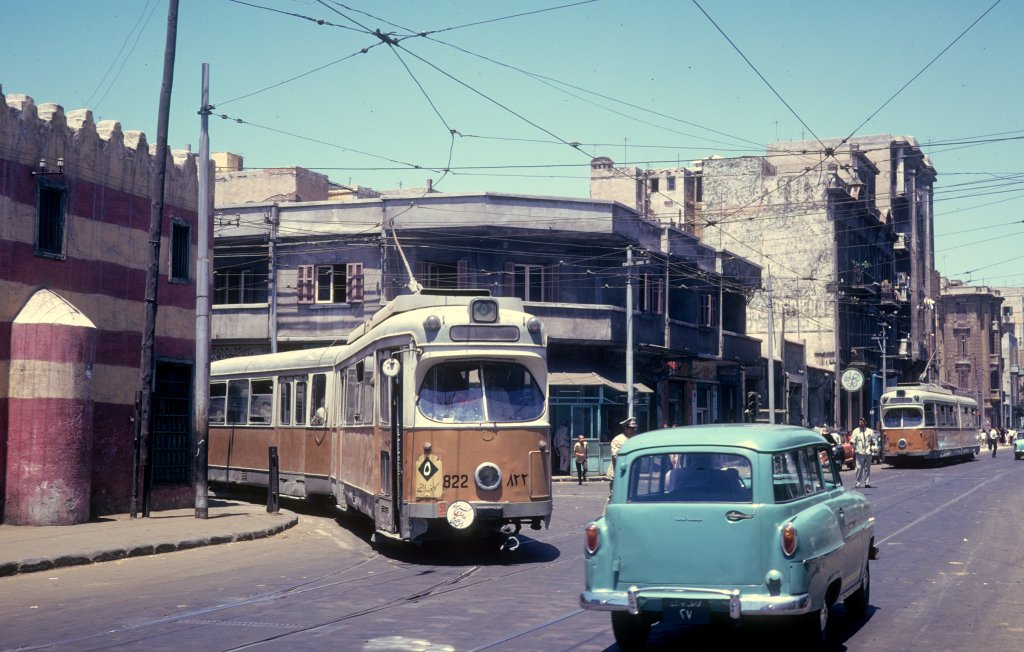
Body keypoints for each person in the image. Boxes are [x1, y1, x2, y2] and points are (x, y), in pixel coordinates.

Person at [607, 417, 638, 484]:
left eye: (634, 428)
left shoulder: (634, 439)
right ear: (625, 428)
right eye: (631, 428)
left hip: (630, 473)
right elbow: (616, 455)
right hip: (619, 472)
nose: (633, 430)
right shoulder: (618, 439)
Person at [851, 417, 877, 488]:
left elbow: (873, 440)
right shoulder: (856, 431)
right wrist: (852, 444)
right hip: (859, 452)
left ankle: (867, 483)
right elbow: (852, 440)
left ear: (865, 422)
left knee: (867, 468)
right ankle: (857, 483)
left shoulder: (870, 431)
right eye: (859, 422)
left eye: (861, 422)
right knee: (859, 468)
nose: (860, 423)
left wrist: (873, 447)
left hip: (868, 452)